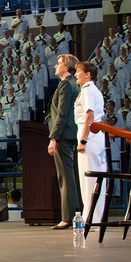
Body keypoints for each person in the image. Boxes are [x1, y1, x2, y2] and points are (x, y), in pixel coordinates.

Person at [47, 53, 80, 229]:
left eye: (58, 63)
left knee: (65, 178)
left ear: (66, 67)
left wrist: (53, 137)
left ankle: (68, 217)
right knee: (66, 177)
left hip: (63, 135)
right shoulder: (68, 84)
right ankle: (71, 214)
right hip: (67, 134)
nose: (55, 66)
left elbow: (62, 113)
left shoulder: (67, 85)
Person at [74, 61, 106, 226]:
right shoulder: (95, 90)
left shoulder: (87, 90)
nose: (75, 74)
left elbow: (89, 115)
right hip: (97, 136)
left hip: (89, 135)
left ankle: (91, 218)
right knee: (97, 179)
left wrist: (83, 140)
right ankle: (96, 217)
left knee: (88, 181)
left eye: (78, 71)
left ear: (88, 74)